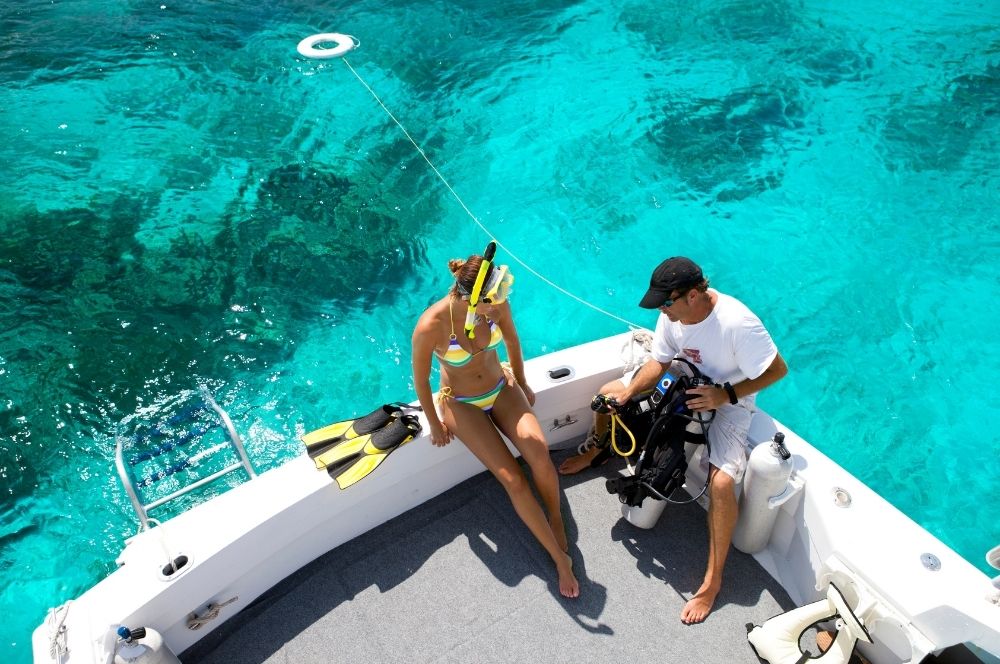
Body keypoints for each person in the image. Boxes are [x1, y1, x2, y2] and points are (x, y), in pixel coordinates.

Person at [558, 256, 787, 622]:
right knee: (606, 394)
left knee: (723, 483)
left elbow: (777, 369)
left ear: (694, 294)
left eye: (667, 302)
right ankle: (599, 450)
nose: (663, 311)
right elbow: (660, 362)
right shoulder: (672, 316)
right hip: (682, 378)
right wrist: (629, 390)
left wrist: (723, 396)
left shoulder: (738, 323)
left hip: (729, 398)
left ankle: (712, 583)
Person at [411, 246, 580, 599]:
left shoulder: (495, 304)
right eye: (493, 298)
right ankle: (558, 558)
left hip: (500, 388)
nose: (501, 302)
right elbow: (422, 381)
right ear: (474, 300)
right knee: (513, 479)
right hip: (461, 402)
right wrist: (436, 422)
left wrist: (524, 381)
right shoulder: (432, 325)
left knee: (539, 450)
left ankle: (555, 515)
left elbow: (514, 342)